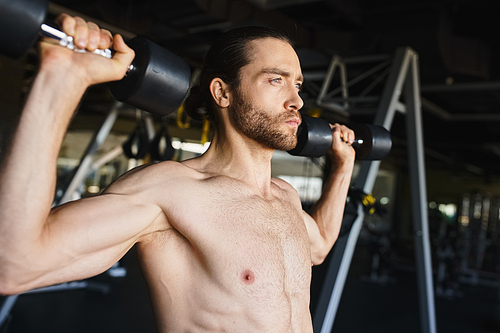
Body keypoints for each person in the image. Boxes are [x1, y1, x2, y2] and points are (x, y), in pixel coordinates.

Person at [0, 13, 355, 332]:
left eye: (297, 84)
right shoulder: (170, 192)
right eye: (276, 80)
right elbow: (16, 265)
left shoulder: (286, 197)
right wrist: (64, 76)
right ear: (222, 93)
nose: (297, 101)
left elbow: (320, 245)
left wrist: (343, 167)